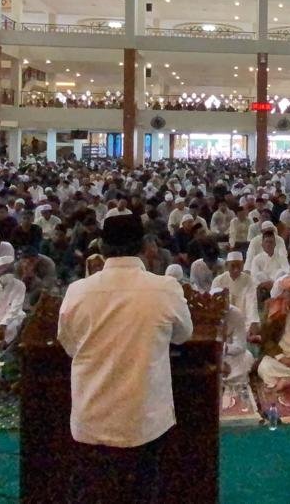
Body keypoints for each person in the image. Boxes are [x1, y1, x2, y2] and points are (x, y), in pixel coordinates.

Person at [56, 214, 193, 504]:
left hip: (91, 417)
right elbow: (183, 335)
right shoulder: (165, 288)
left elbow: (69, 345)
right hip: (144, 420)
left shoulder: (77, 292)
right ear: (144, 246)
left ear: (102, 248)